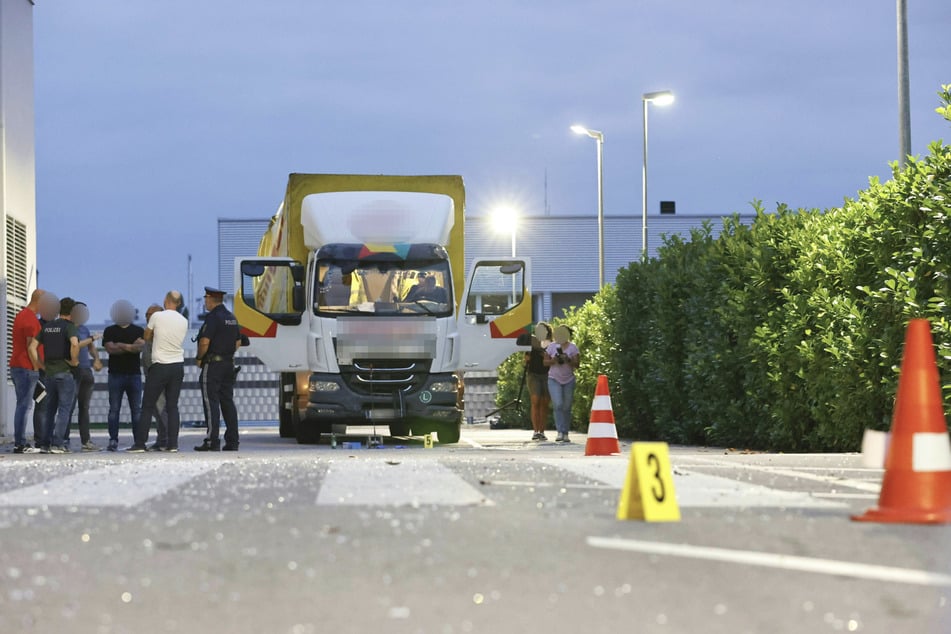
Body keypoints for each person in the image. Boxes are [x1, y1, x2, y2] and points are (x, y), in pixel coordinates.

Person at [130, 291, 188, 453]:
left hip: (160, 365)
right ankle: (172, 444)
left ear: (166, 300)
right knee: (172, 406)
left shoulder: (157, 316)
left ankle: (140, 443)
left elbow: (146, 336)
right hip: (177, 365)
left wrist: (156, 333)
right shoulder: (184, 320)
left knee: (147, 406)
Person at [29, 296, 80, 453]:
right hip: (65, 373)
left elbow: (32, 347)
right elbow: (74, 343)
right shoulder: (69, 326)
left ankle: (45, 444)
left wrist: (39, 365)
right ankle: (58, 444)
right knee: (64, 409)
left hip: (49, 374)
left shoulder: (48, 326)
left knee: (49, 410)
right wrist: (74, 360)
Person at [195, 287, 242, 452]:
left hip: (213, 365)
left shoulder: (213, 318)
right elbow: (238, 341)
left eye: (206, 298)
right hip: (229, 364)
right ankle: (232, 441)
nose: (205, 301)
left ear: (210, 299)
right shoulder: (231, 317)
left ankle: (212, 441)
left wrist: (200, 358)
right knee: (227, 402)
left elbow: (204, 342)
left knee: (211, 402)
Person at [102, 299, 145, 452]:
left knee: (137, 410)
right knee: (114, 409)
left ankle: (138, 441)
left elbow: (140, 348)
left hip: (134, 374)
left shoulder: (139, 330)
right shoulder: (109, 331)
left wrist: (121, 345)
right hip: (115, 374)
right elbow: (110, 349)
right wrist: (130, 347)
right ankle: (113, 440)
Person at [10, 288, 45, 453]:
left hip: (18, 366)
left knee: (22, 404)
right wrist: (38, 367)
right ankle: (20, 443)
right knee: (24, 406)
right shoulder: (31, 320)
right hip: (27, 367)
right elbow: (32, 348)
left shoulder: (21, 315)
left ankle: (20, 442)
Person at [68, 301, 103, 451]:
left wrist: (96, 358)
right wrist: (92, 339)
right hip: (72, 372)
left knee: (84, 407)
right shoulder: (67, 328)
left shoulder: (84, 329)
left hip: (86, 371)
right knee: (68, 407)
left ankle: (86, 441)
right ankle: (62, 440)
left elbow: (90, 347)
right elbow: (76, 345)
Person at [544, 325, 580, 443]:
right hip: (554, 378)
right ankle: (560, 431)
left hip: (569, 379)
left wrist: (568, 359)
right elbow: (545, 362)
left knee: (567, 406)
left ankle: (565, 432)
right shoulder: (551, 346)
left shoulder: (573, 347)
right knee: (558, 404)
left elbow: (577, 364)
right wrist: (553, 360)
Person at [140, 304, 170, 451]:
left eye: (151, 314)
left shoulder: (160, 332)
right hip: (150, 376)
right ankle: (162, 438)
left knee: (161, 407)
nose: (147, 317)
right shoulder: (149, 332)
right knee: (155, 410)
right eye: (146, 314)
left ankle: (166, 439)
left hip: (158, 376)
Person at [525, 322, 552, 442]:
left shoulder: (552, 344)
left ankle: (542, 430)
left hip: (548, 374)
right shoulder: (532, 341)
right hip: (533, 374)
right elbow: (526, 358)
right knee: (535, 401)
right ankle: (536, 431)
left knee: (545, 402)